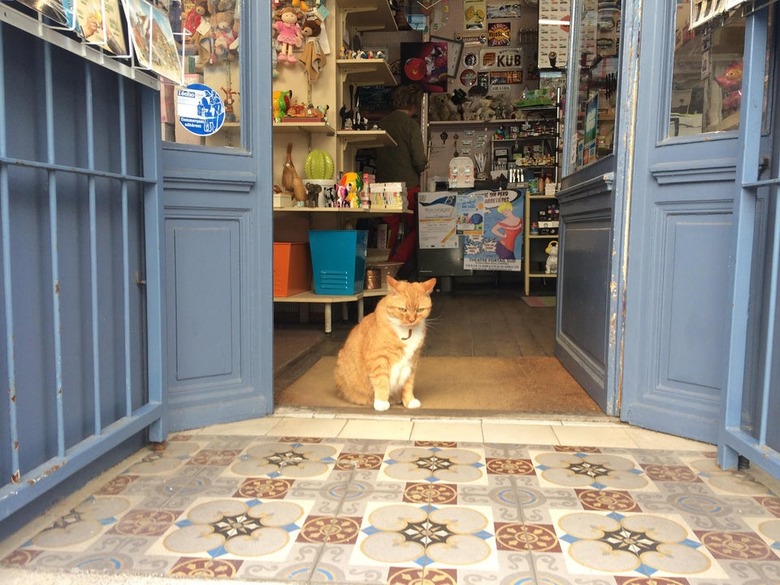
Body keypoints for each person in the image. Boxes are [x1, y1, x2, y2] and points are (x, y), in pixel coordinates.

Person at [375, 84, 428, 277]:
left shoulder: (382, 123)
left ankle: (383, 268)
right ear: (414, 104)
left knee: (387, 230)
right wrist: (424, 163)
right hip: (408, 185)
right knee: (417, 227)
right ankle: (397, 263)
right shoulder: (411, 125)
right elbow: (419, 160)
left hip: (381, 187)